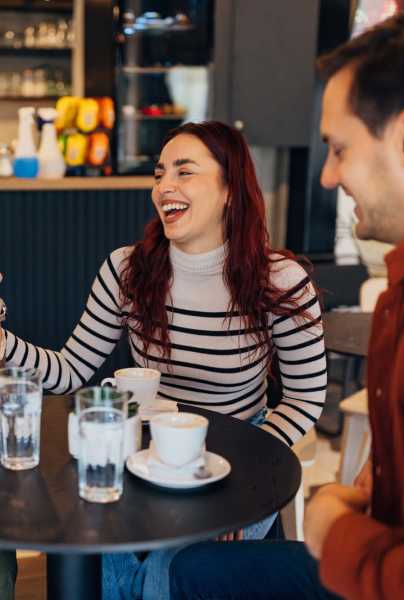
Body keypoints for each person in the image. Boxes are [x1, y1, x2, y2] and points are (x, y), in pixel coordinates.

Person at [167, 6, 404, 599]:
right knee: (195, 571)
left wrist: (334, 527)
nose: (327, 176)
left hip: (399, 574)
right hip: (390, 546)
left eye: (340, 148)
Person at [0, 120, 326, 598]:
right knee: (102, 539)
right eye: (158, 173)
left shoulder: (280, 280)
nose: (164, 186)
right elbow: (70, 370)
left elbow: (304, 396)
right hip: (143, 456)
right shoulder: (126, 270)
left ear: (231, 188)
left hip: (238, 457)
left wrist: (243, 483)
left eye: (184, 171)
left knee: (173, 570)